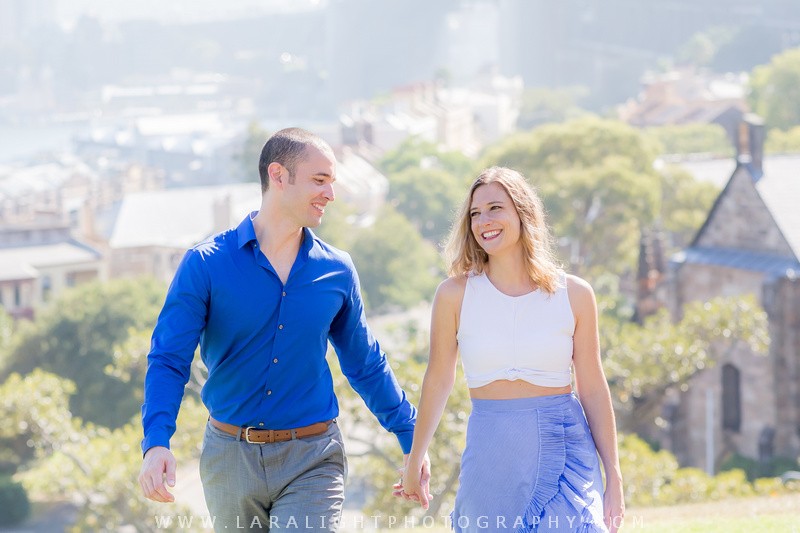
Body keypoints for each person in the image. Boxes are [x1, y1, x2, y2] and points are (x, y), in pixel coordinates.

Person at [138, 127, 427, 531]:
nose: (330, 193)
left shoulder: (337, 270)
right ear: (278, 175)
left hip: (314, 457)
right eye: (319, 180)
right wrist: (156, 443)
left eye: (332, 182)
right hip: (229, 460)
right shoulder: (205, 265)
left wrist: (411, 435)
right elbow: (169, 360)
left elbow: (365, 364)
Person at [397, 167, 624, 532]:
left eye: (495, 208)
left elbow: (594, 388)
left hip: (564, 448)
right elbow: (438, 380)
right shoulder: (454, 295)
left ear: (523, 212)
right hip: (491, 453)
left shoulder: (576, 294)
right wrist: (415, 457)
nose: (483, 221)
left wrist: (614, 475)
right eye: (475, 213)